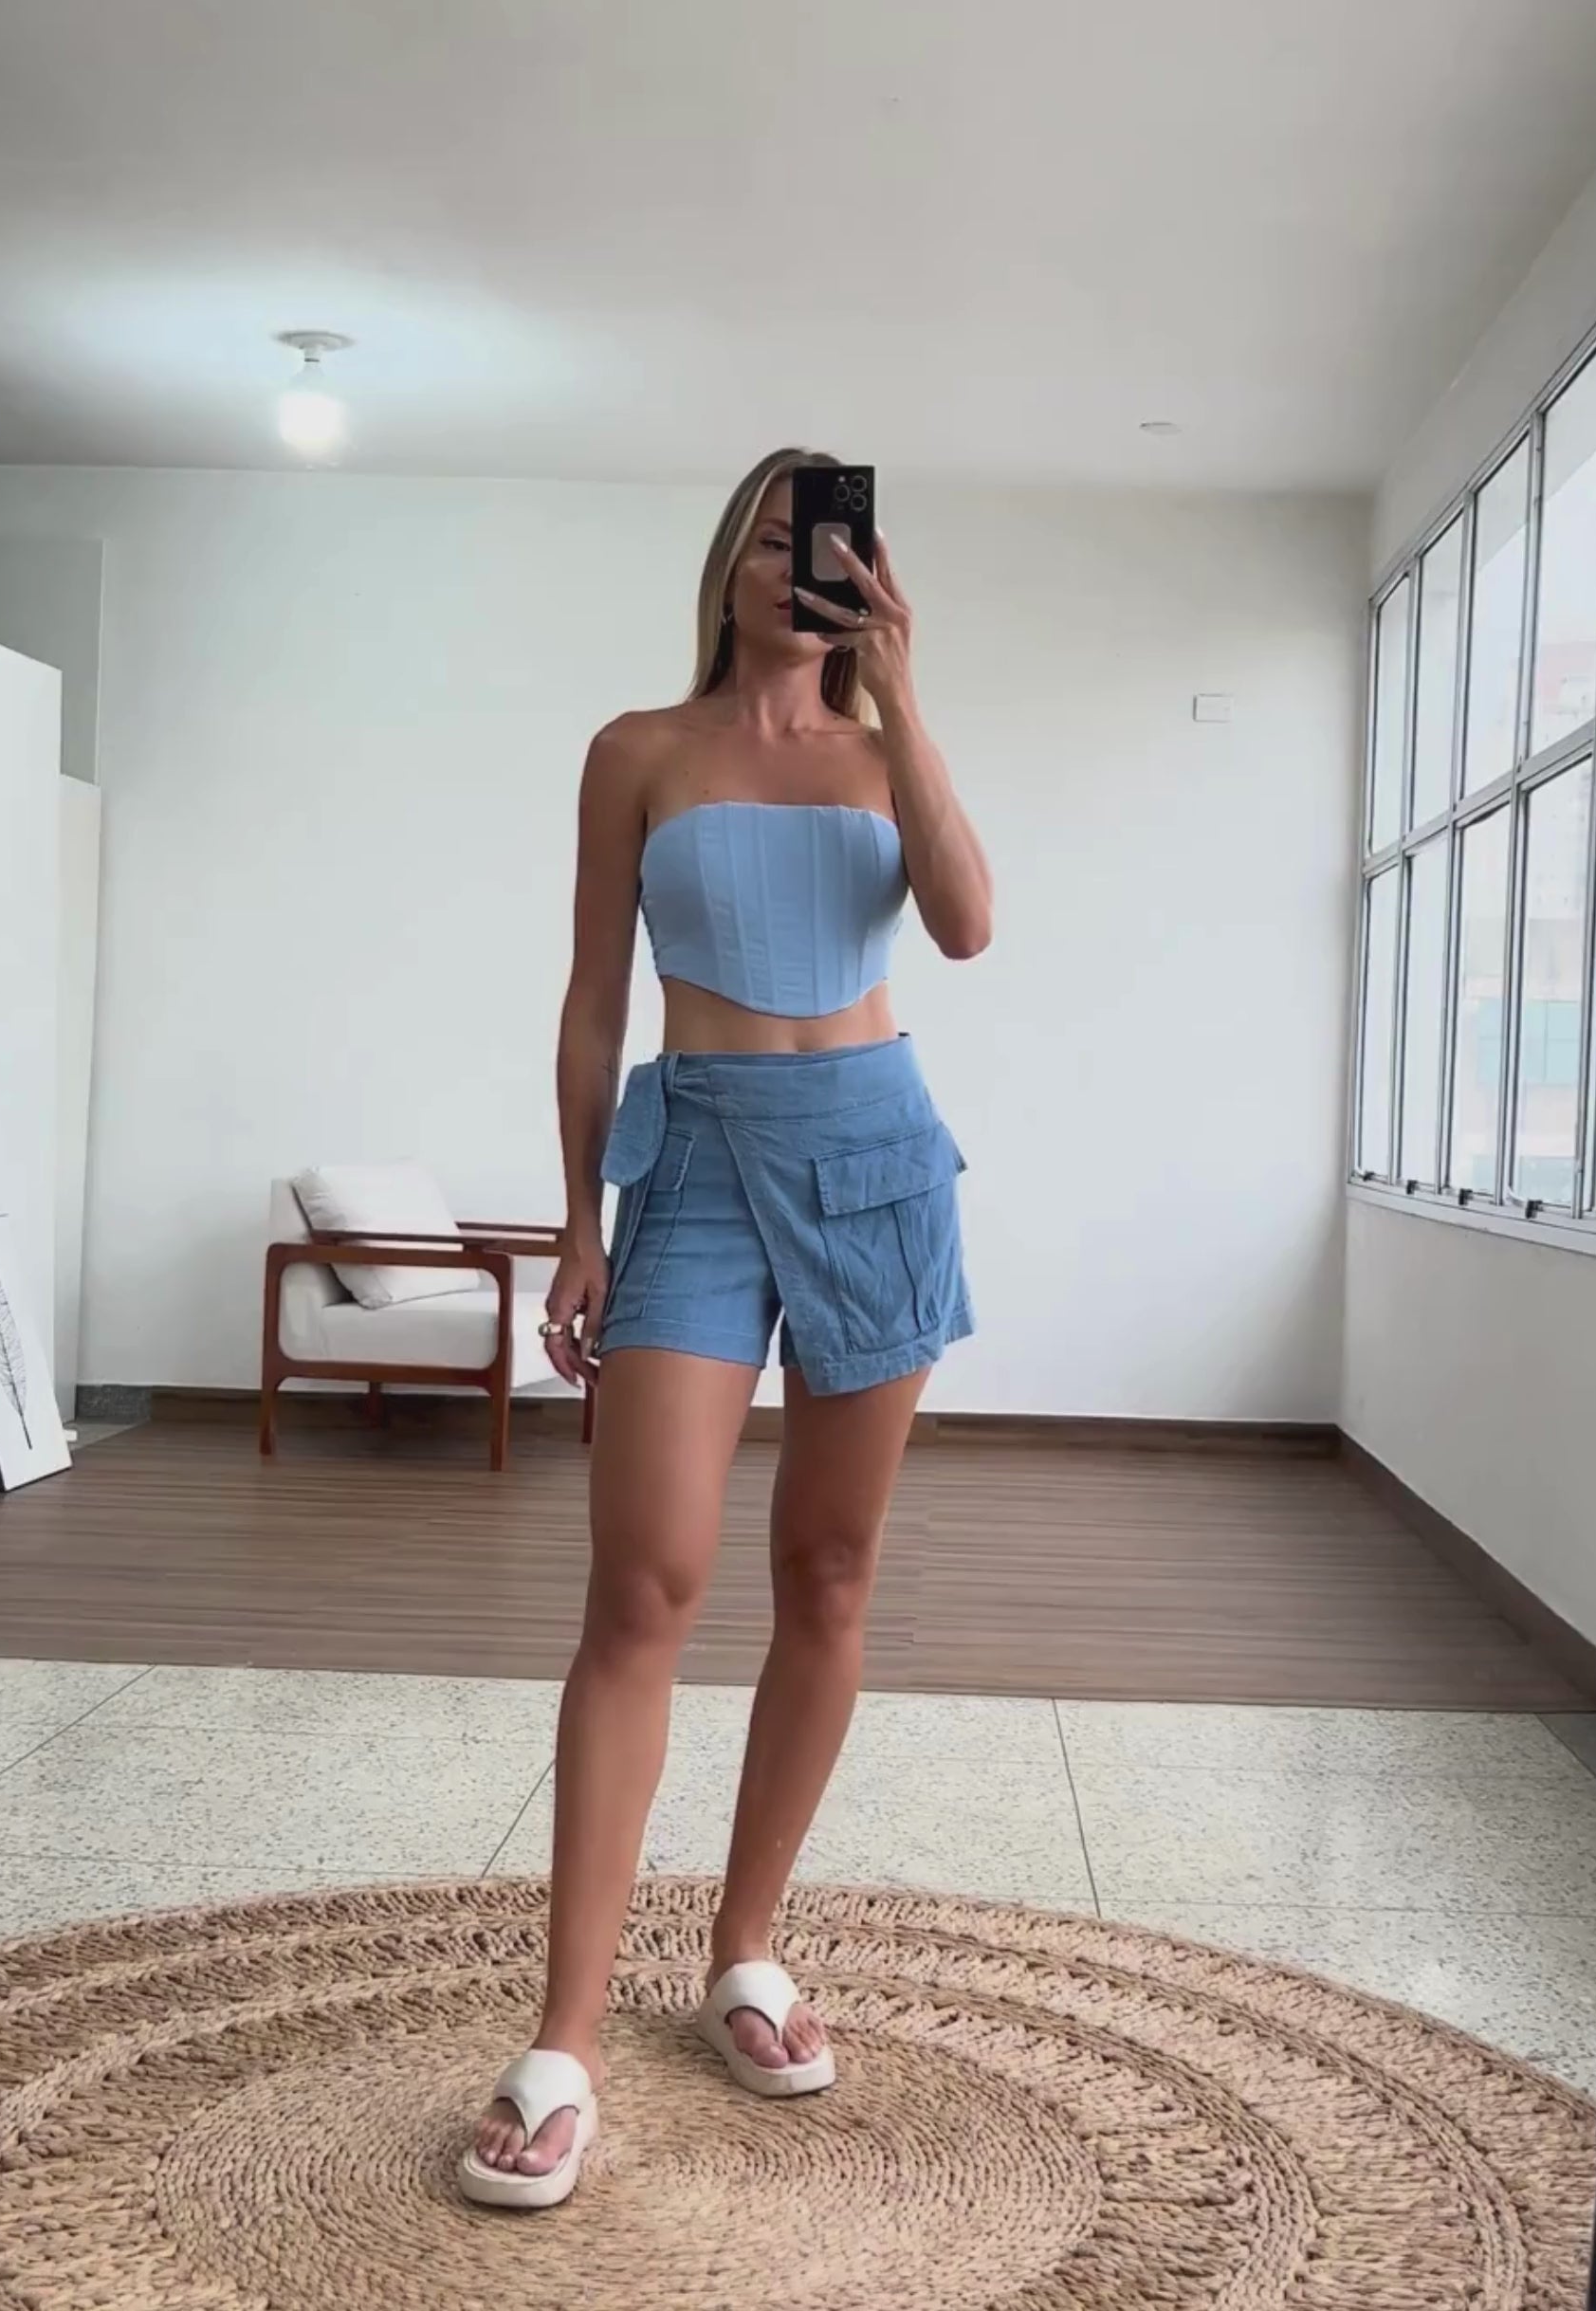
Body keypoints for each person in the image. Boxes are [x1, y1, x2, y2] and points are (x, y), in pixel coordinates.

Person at [459, 448, 992, 2210]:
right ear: (730, 565)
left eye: (826, 543)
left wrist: (902, 691)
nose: (797, 565)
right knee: (644, 1585)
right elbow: (591, 998)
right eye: (773, 538)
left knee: (829, 1572)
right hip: (690, 1162)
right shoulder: (639, 751)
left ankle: (745, 1951)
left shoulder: (882, 752)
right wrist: (577, 1221)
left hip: (875, 1157)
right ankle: (565, 2040)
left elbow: (969, 926)